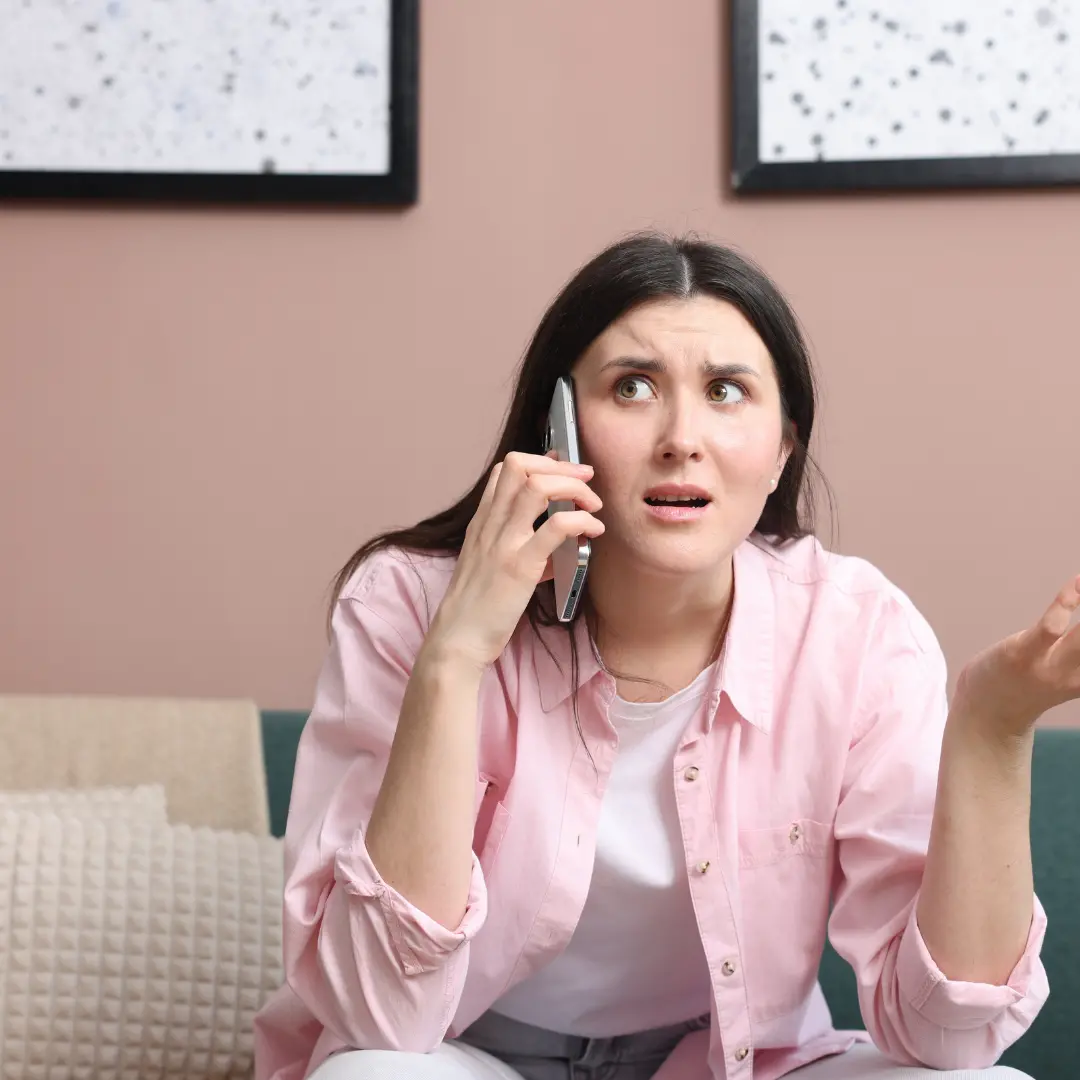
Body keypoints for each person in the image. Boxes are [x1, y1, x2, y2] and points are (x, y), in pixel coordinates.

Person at [254, 234, 1067, 1080]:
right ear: (559, 434)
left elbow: (950, 1041)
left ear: (783, 446)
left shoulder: (854, 631)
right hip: (463, 1054)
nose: (683, 437)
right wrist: (455, 656)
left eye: (726, 392)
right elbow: (376, 1013)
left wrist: (992, 729)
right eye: (633, 387)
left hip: (736, 1063)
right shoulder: (407, 603)